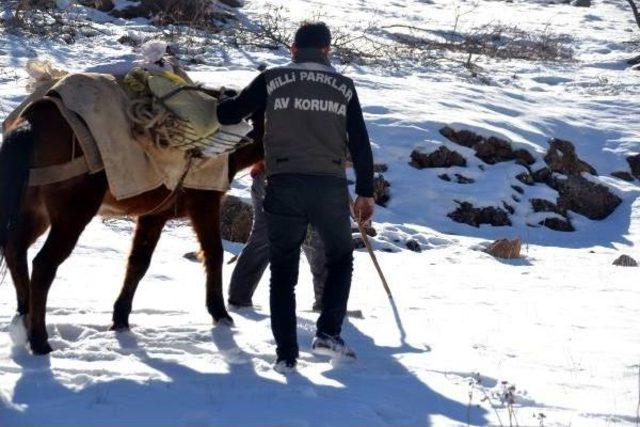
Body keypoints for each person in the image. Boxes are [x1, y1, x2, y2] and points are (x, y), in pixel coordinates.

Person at [217, 21, 374, 373]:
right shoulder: (343, 86)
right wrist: (365, 191)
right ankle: (328, 332)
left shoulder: (272, 79)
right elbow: (361, 143)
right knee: (340, 259)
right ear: (327, 51)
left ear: (292, 49)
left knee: (283, 270)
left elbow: (228, 115)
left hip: (283, 183)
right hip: (329, 187)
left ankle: (286, 354)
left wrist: (227, 98)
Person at [227, 160, 327, 311]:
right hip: (280, 179)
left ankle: (239, 298)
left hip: (282, 179)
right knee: (313, 239)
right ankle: (328, 302)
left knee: (265, 239)